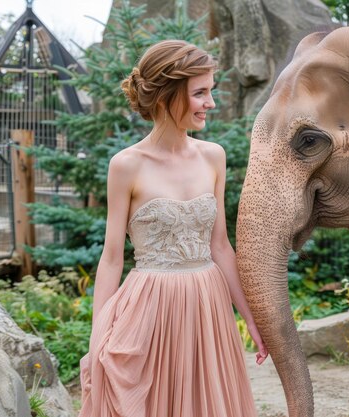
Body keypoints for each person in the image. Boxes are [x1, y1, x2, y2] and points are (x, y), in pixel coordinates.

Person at [78, 40, 268, 417]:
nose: (210, 103)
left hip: (207, 305)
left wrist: (250, 317)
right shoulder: (126, 165)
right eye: (200, 93)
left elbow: (220, 247)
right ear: (166, 95)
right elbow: (112, 258)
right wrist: (97, 333)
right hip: (150, 309)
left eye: (210, 91)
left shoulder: (214, 156)